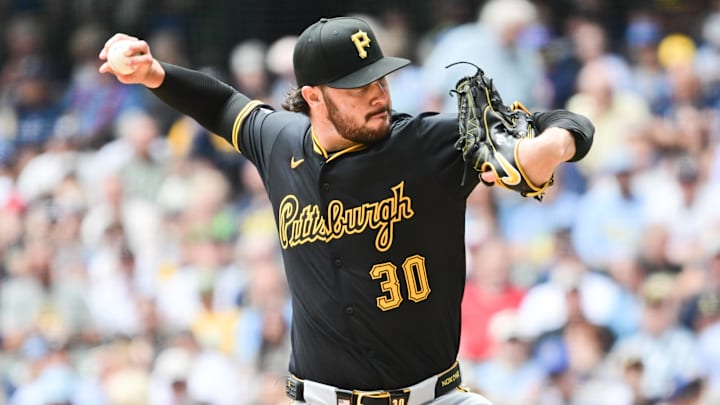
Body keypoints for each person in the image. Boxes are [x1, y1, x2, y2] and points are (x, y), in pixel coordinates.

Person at [98, 16, 594, 405]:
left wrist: (552, 145)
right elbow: (223, 105)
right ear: (313, 96)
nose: (379, 96)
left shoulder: (428, 143)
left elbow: (569, 120)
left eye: (380, 78)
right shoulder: (279, 141)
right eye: (359, 87)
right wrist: (153, 74)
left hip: (433, 396)